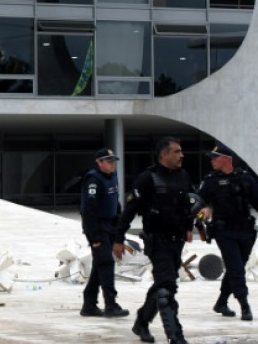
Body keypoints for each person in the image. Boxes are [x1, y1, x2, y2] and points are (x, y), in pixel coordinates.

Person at [114, 137, 197, 344]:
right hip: (157, 241)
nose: (181, 155)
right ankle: (176, 337)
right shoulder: (147, 179)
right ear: (164, 155)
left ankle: (141, 322)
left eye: (181, 151)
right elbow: (129, 211)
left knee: (163, 285)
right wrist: (118, 239)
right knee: (166, 289)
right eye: (176, 152)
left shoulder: (183, 176)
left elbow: (190, 203)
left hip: (177, 240)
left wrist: (190, 227)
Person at [198, 144, 258, 321]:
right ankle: (244, 305)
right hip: (224, 231)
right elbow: (200, 200)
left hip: (246, 231)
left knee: (235, 268)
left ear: (226, 159)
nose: (211, 161)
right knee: (237, 268)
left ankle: (221, 302)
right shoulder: (211, 180)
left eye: (214, 157)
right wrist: (204, 209)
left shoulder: (245, 178)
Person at [80, 148, 130, 318]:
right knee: (106, 262)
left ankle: (89, 305)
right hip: (97, 227)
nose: (112, 164)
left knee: (100, 265)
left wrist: (119, 228)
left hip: (110, 225)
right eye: (108, 161)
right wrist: (93, 237)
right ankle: (111, 304)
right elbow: (88, 211)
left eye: (113, 161)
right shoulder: (93, 180)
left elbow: (116, 203)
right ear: (99, 162)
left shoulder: (112, 177)